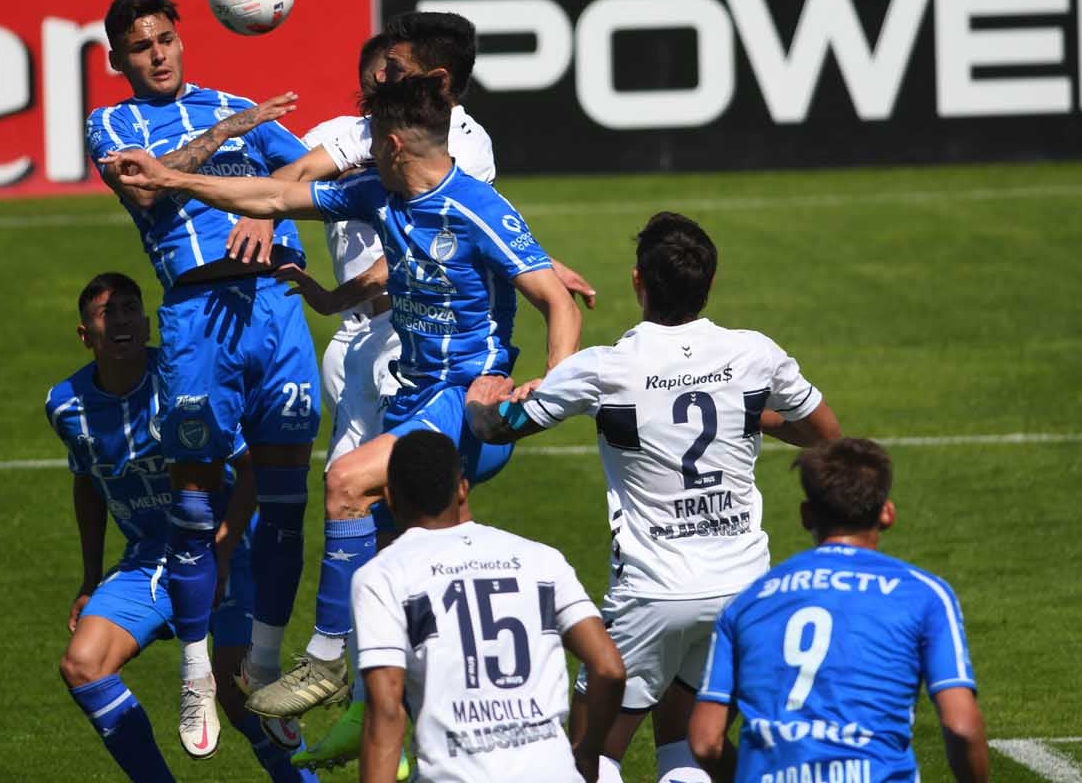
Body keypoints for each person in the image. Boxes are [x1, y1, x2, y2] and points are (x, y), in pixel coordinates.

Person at [101, 72, 583, 721]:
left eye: (368, 142)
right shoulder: (378, 196)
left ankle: (325, 662)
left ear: (391, 145)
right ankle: (381, 710)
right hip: (413, 404)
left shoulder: (474, 207)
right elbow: (273, 194)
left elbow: (557, 301)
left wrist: (543, 393)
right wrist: (172, 180)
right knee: (379, 571)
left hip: (464, 406)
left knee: (345, 481)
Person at [470, 212, 842, 783]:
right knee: (689, 746)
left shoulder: (603, 368)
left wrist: (480, 400)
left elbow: (500, 428)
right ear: (709, 284)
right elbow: (825, 437)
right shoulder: (754, 354)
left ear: (637, 282)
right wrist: (748, 418)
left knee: (588, 754)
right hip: (742, 587)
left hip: (652, 591)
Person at [85, 0, 321, 759]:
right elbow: (146, 185)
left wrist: (270, 211)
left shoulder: (237, 103)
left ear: (183, 40)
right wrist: (233, 131)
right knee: (194, 504)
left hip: (273, 310)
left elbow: (313, 175)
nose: (157, 55)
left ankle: (260, 664)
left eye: (166, 40)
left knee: (286, 502)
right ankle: (194, 673)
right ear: (118, 60)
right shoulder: (112, 125)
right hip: (194, 315)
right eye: (140, 47)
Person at [46, 272, 319, 782]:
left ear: (147, 322)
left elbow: (254, 462)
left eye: (130, 309)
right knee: (84, 664)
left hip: (226, 548)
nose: (122, 320)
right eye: (108, 313)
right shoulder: (66, 405)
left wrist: (225, 541)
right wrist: (89, 579)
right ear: (86, 334)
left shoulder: (185, 382)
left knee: (240, 698)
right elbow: (88, 483)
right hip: (151, 558)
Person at [688, 438, 989, 783]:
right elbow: (961, 726)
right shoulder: (926, 595)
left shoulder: (747, 603)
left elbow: (705, 741)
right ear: (887, 513)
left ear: (806, 515)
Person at [351, 430, 626, 783]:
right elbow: (608, 668)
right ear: (462, 488)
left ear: (389, 498)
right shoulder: (541, 559)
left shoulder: (381, 576)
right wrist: (587, 752)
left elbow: (386, 709)